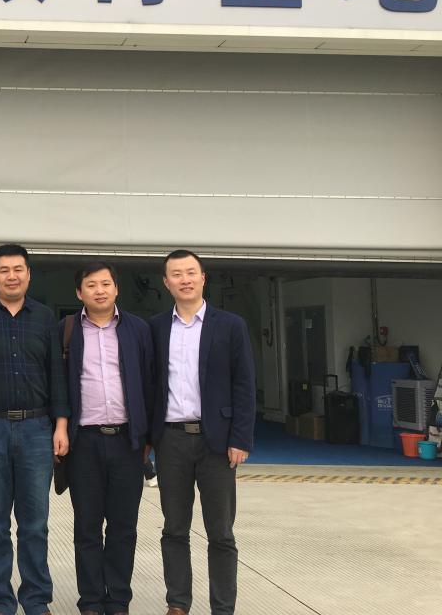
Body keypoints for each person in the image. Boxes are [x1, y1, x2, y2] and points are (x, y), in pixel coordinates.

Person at [0, 244, 70, 615]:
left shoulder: (44, 317)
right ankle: (1, 601)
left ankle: (36, 599)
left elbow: (57, 375)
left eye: (18, 269)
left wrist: (61, 424)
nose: (12, 276)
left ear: (28, 274)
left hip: (37, 429)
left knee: (35, 524)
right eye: (4, 270)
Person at [150, 250, 256, 615]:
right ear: (166, 283)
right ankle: (178, 603)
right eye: (177, 274)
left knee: (221, 533)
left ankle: (222, 607)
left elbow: (244, 384)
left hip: (218, 442)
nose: (185, 279)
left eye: (191, 272)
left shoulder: (230, 325)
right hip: (171, 440)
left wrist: (240, 438)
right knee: (174, 529)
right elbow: (149, 384)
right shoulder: (156, 327)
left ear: (203, 278)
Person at [60, 261, 154, 615]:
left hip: (127, 442)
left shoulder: (138, 329)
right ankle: (90, 601)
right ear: (78, 292)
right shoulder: (66, 330)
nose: (99, 290)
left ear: (116, 288)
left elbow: (150, 382)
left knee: (123, 527)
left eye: (105, 284)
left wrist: (148, 436)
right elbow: (59, 384)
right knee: (86, 526)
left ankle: (118, 600)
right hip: (83, 442)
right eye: (91, 284)